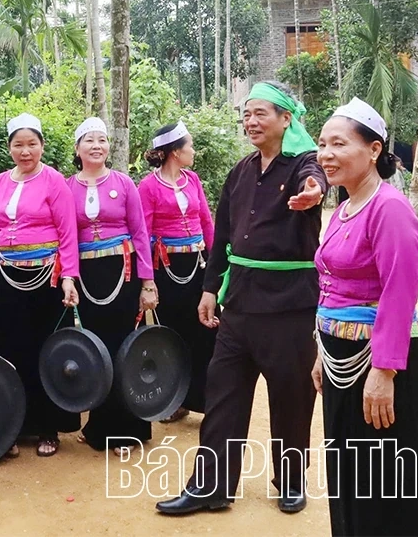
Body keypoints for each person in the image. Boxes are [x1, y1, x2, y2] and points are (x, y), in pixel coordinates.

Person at [156, 81, 328, 516]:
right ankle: (211, 486)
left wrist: (313, 191)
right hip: (240, 305)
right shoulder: (240, 172)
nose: (251, 122)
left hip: (291, 305)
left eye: (261, 114)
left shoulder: (302, 164)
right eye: (247, 114)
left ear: (285, 119)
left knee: (291, 397)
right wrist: (211, 288)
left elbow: (318, 176)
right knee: (223, 395)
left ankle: (290, 480)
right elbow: (223, 239)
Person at [312, 99, 418, 536]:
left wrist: (383, 370)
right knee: (350, 478)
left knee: (385, 485)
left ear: (374, 149)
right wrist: (321, 353)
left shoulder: (390, 208)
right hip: (341, 357)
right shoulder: (344, 209)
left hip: (380, 361)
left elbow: (401, 291)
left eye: (339, 144)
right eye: (322, 144)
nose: (325, 154)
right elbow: (331, 287)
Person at [0, 113, 80, 457]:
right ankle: (14, 427)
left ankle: (48, 428)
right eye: (18, 145)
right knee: (12, 350)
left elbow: (68, 233)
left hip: (46, 279)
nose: (26, 151)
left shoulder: (54, 181)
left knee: (45, 352)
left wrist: (69, 276)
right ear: (9, 148)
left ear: (42, 146)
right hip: (10, 278)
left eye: (32, 144)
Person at [67, 117, 156, 454]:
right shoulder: (67, 187)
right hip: (88, 278)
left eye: (102, 140)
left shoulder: (124, 183)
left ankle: (127, 430)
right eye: (89, 140)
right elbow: (66, 237)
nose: (97, 146)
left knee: (124, 347)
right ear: (78, 148)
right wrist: (70, 278)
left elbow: (140, 234)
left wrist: (148, 282)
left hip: (124, 272)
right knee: (96, 350)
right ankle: (99, 427)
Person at [137, 121, 216, 423]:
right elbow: (142, 234)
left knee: (205, 330)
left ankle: (208, 400)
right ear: (174, 152)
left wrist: (217, 262)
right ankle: (176, 400)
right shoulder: (148, 186)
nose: (193, 151)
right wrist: (147, 280)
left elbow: (206, 222)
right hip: (167, 269)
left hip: (196, 266)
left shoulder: (192, 179)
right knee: (173, 336)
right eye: (190, 146)